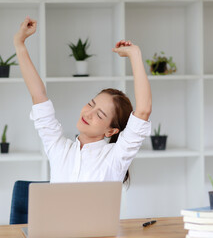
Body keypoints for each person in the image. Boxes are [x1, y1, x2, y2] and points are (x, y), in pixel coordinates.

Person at [13, 16, 152, 184]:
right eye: (90, 105)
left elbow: (143, 110)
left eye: (100, 115)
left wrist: (134, 54)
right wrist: (19, 44)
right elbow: (38, 96)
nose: (89, 114)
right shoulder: (58, 148)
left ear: (111, 131)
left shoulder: (115, 157)